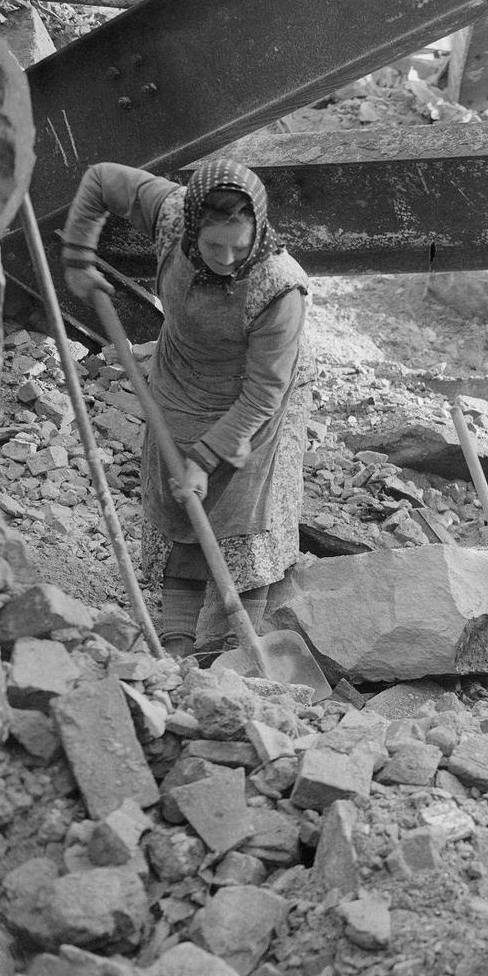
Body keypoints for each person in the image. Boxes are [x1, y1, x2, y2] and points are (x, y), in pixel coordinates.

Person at [62, 159, 314, 658]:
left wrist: (207, 456)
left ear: (257, 233)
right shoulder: (173, 212)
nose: (226, 258)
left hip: (255, 396)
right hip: (179, 381)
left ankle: (228, 650)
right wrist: (77, 257)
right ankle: (176, 645)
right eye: (213, 245)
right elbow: (100, 179)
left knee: (243, 519)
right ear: (193, 227)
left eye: (239, 247)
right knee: (181, 508)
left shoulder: (280, 288)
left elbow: (264, 392)